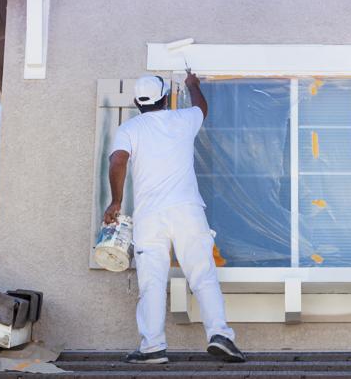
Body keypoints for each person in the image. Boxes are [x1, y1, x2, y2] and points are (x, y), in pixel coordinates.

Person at [104, 73, 245, 364]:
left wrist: (116, 201)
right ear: (166, 98)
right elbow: (201, 108)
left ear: (135, 103)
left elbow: (118, 161)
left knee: (152, 282)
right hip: (187, 211)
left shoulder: (129, 129)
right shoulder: (182, 120)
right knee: (203, 275)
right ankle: (220, 335)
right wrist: (193, 85)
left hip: (150, 218)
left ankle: (153, 347)